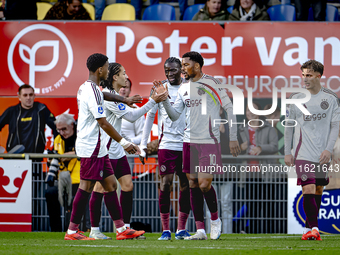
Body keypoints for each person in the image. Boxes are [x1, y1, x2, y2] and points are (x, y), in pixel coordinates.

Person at [154, 51, 240, 240]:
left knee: (204, 184)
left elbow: (230, 108)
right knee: (192, 183)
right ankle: (200, 230)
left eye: (185, 65)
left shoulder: (212, 83)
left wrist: (233, 137)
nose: (182, 68)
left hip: (208, 141)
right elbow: (175, 114)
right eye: (182, 65)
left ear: (197, 66)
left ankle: (215, 221)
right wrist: (165, 100)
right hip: (188, 142)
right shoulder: (184, 88)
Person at [64, 53, 145, 240]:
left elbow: (104, 94)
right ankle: (72, 230)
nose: (108, 71)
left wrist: (125, 100)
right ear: (100, 69)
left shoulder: (89, 88)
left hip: (98, 147)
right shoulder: (92, 91)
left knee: (110, 185)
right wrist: (125, 143)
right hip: (91, 146)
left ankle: (121, 229)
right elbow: (103, 123)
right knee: (86, 187)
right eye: (107, 67)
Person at [88, 62, 167, 240]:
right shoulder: (110, 98)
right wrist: (153, 100)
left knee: (127, 186)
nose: (126, 76)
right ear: (115, 77)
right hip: (105, 151)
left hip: (118, 151)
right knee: (100, 188)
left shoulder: (117, 97)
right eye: (123, 73)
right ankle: (94, 230)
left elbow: (133, 114)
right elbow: (131, 116)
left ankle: (126, 229)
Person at [284, 60, 340, 241]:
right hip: (303, 153)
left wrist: (328, 150)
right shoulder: (295, 98)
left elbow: (334, 126)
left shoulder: (331, 98)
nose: (305, 79)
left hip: (323, 154)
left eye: (308, 75)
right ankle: (315, 229)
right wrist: (287, 151)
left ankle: (309, 229)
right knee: (307, 189)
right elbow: (288, 127)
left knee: (318, 190)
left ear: (318, 76)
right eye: (303, 75)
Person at [139, 57, 191, 240]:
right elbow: (150, 115)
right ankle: (166, 230)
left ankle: (181, 229)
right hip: (167, 144)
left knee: (186, 185)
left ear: (181, 71)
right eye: (166, 70)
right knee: (165, 184)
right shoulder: (159, 88)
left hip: (186, 143)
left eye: (173, 70)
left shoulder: (189, 88)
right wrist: (143, 145)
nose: (169, 74)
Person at [45, 113, 87, 232]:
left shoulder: (82, 137)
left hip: (80, 179)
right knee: (50, 192)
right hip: (63, 179)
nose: (62, 132)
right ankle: (56, 230)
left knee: (78, 198)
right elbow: (56, 158)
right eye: (59, 130)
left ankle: (79, 229)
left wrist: (69, 155)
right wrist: (51, 160)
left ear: (72, 126)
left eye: (64, 129)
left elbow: (86, 152)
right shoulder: (58, 139)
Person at [0, 84, 57, 154]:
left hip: (36, 156)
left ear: (34, 96)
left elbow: (56, 127)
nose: (28, 98)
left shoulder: (41, 109)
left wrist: (55, 148)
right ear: (19, 97)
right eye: (25, 95)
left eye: (31, 95)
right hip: (15, 157)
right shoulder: (12, 111)